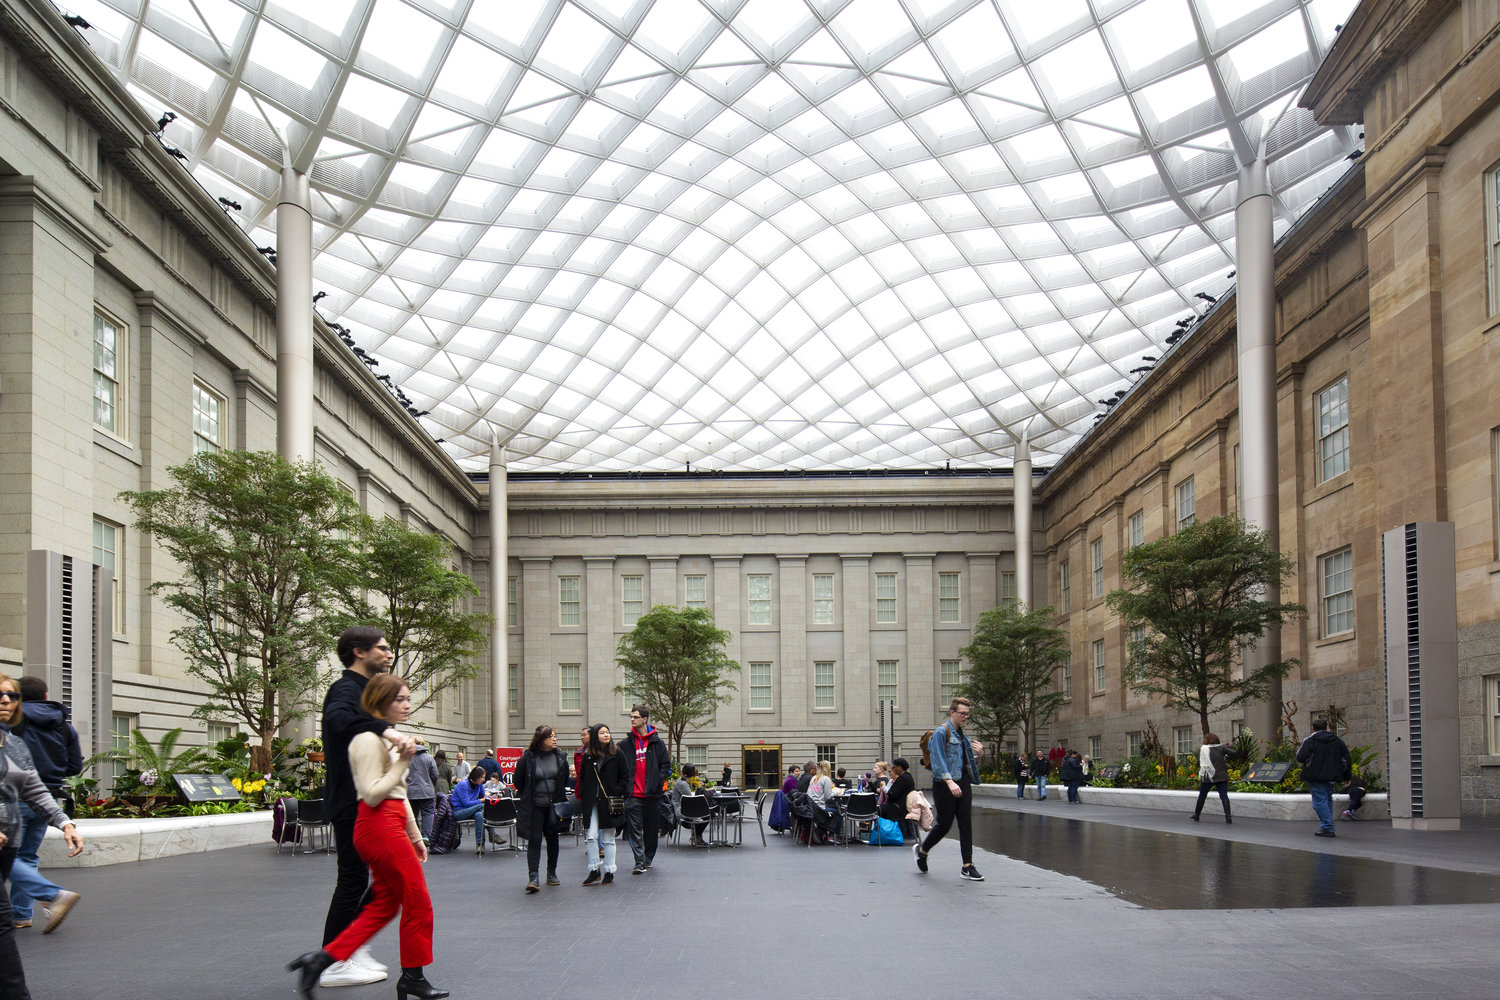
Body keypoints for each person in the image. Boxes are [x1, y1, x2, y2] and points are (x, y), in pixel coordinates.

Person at [289, 674, 446, 1000]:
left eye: (407, 698)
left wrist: (415, 835)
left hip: (387, 825)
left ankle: (321, 959)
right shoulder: (365, 740)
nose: (407, 704)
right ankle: (413, 977)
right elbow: (372, 794)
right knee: (419, 903)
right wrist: (402, 763)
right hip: (378, 827)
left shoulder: (383, 739)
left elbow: (399, 794)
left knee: (384, 906)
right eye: (399, 699)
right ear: (380, 701)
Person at [317, 626, 415, 988]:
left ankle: (346, 948)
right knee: (354, 880)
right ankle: (333, 958)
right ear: (359, 651)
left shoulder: (363, 691)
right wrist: (387, 731)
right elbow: (337, 720)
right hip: (353, 800)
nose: (388, 653)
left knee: (379, 881)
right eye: (382, 648)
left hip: (365, 801)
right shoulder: (345, 690)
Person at [0, 673, 85, 999]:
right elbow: (73, 765)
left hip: (6, 846)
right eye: (0, 695)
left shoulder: (16, 745)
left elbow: (33, 789)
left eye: (12, 696)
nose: (6, 701)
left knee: (3, 931)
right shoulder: (61, 726)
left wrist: (65, 824)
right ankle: (48, 897)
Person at [9, 675, 82, 932]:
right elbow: (74, 766)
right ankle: (20, 915)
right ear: (45, 695)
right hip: (46, 797)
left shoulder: (12, 724)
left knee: (7, 857)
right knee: (26, 856)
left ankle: (51, 896)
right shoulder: (63, 725)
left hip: (12, 798)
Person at [915, 697, 984, 882]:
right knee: (944, 825)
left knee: (965, 823)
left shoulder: (962, 736)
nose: (965, 717)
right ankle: (923, 850)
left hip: (962, 781)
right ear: (952, 712)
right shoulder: (941, 732)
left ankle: (967, 866)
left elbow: (965, 763)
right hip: (944, 785)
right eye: (962, 713)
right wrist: (949, 781)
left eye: (967, 714)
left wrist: (979, 756)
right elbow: (937, 760)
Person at [513, 725, 570, 892]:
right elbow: (518, 781)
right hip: (535, 806)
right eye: (550, 736)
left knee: (553, 838)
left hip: (554, 807)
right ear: (540, 739)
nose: (554, 739)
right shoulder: (527, 758)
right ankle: (533, 876)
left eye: (555, 736)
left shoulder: (560, 757)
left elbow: (564, 778)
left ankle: (551, 873)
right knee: (535, 839)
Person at [619, 706, 670, 874]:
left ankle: (648, 858)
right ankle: (639, 862)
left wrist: (658, 780)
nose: (632, 720)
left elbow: (665, 765)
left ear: (645, 719)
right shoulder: (626, 744)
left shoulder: (657, 742)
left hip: (652, 794)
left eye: (635, 717)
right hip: (633, 794)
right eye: (631, 717)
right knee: (634, 829)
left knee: (650, 830)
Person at [577, 724, 626, 884]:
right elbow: (582, 778)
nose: (606, 735)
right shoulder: (588, 757)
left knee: (608, 838)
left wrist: (618, 791)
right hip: (591, 802)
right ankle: (594, 870)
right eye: (602, 732)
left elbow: (625, 776)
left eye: (607, 732)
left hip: (609, 801)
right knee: (590, 837)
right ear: (595, 736)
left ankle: (609, 871)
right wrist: (584, 794)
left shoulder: (617, 753)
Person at [1296, 718, 1352, 838]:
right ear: (1326, 727)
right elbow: (1346, 759)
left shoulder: (1310, 740)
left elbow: (1300, 757)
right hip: (1332, 775)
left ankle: (1327, 827)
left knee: (1319, 802)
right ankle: (1326, 825)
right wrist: (1346, 776)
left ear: (1313, 728)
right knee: (1327, 800)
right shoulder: (1337, 741)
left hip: (1315, 775)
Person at [1191, 733, 1232, 823]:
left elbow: (1199, 763)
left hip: (1208, 777)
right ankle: (1228, 817)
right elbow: (1234, 753)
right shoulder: (1221, 748)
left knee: (1202, 795)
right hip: (1221, 776)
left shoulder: (1204, 749)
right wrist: (1226, 760)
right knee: (1224, 796)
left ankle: (1197, 815)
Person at [405, 738, 439, 843]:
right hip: (427, 791)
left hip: (411, 791)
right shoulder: (429, 758)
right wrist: (430, 784)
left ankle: (415, 837)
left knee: (413, 814)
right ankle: (426, 836)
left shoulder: (406, 758)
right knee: (428, 813)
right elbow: (435, 775)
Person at [449, 766, 486, 850]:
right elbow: (466, 803)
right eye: (482, 777)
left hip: (471, 810)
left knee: (479, 815)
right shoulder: (463, 784)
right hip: (458, 812)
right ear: (476, 777)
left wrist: (491, 797)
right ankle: (492, 835)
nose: (483, 779)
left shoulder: (479, 784)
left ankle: (480, 845)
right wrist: (482, 800)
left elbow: (484, 796)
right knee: (481, 806)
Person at [671, 763, 708, 846]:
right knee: (707, 815)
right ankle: (697, 837)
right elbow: (690, 800)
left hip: (680, 810)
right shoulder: (683, 784)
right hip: (682, 813)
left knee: (704, 814)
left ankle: (696, 836)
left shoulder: (680, 781)